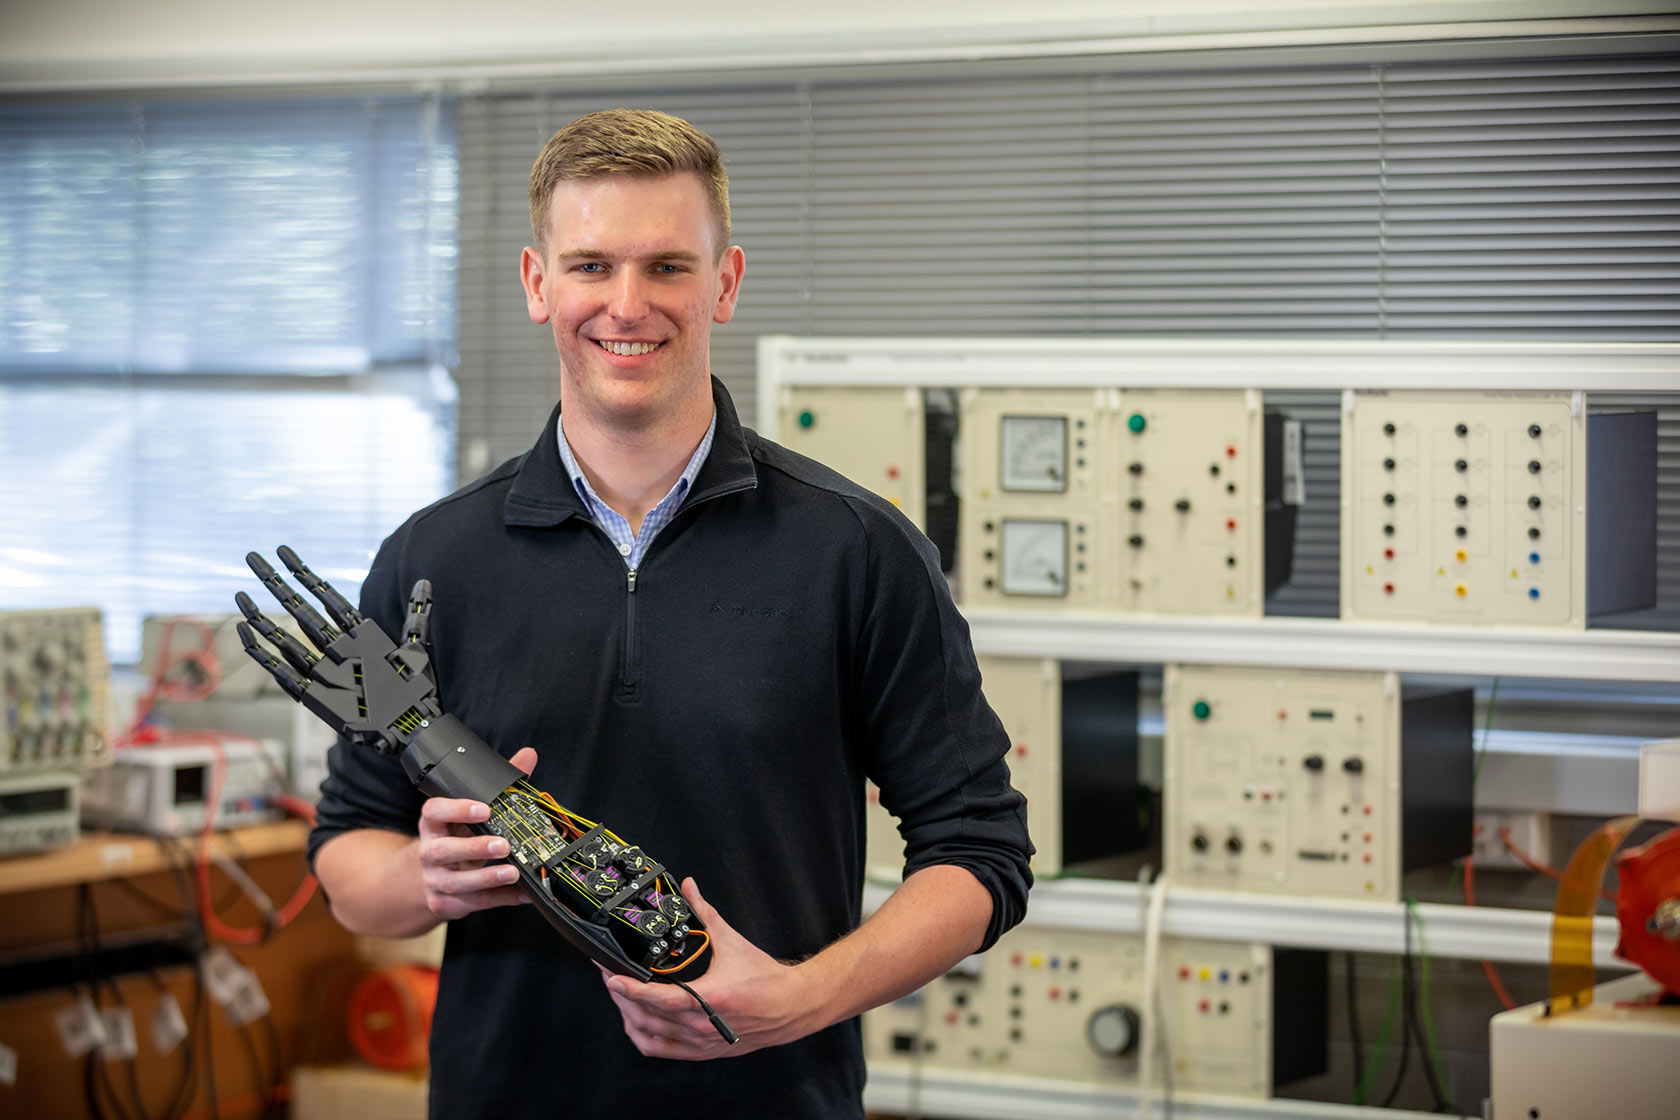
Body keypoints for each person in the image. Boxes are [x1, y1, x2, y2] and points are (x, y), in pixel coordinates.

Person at [307, 107, 1033, 1119]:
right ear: (537, 283)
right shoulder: (435, 560)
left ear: (725, 282)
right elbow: (349, 859)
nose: (627, 304)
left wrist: (797, 999)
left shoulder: (856, 550)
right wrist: (428, 879)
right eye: (592, 266)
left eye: (668, 267)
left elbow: (981, 853)